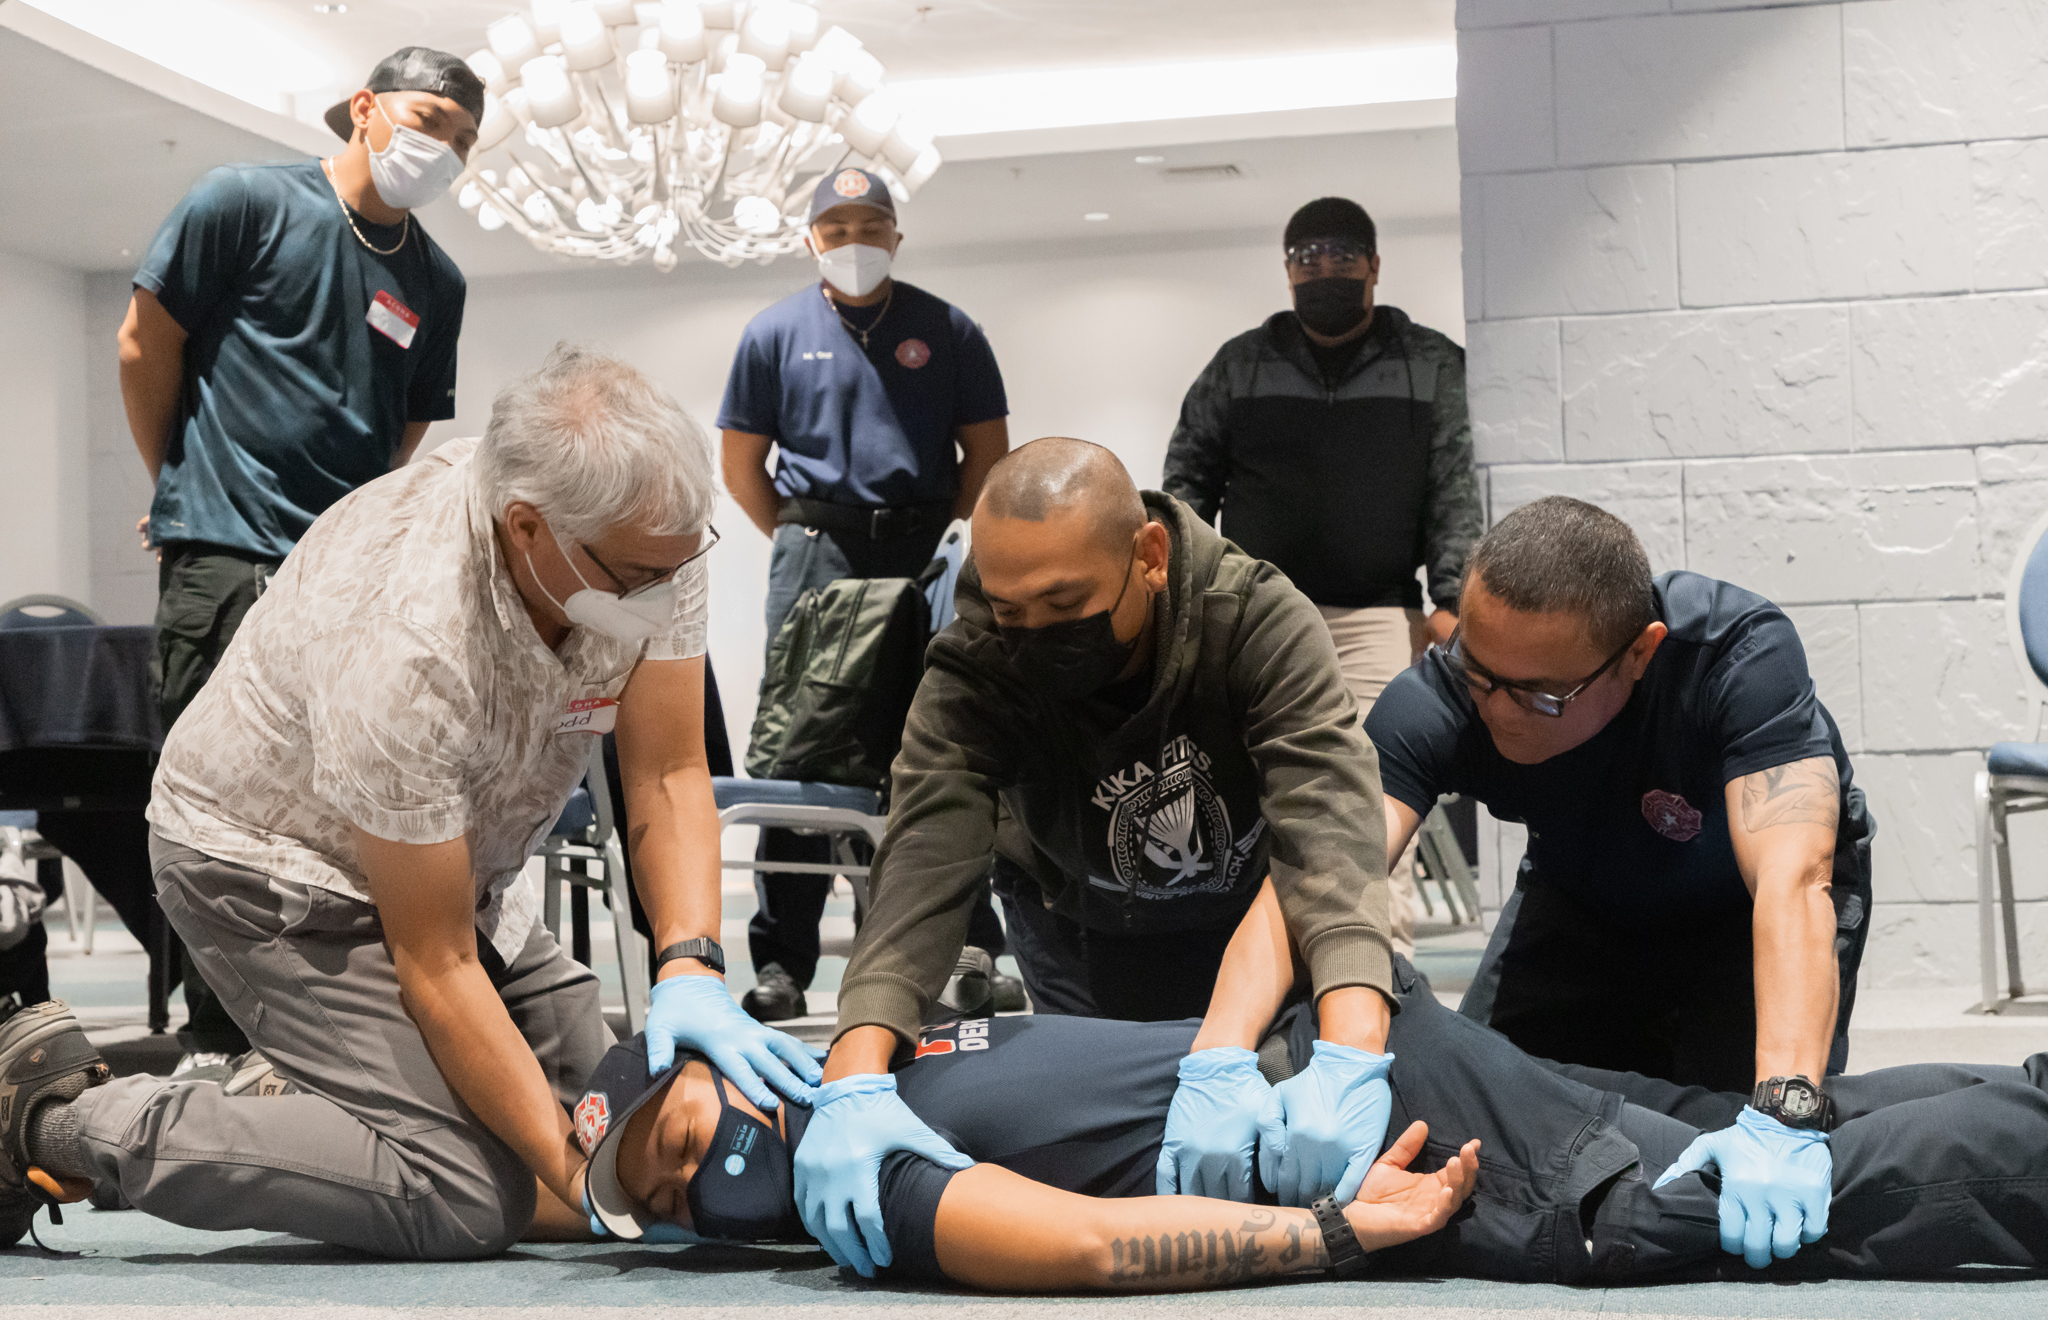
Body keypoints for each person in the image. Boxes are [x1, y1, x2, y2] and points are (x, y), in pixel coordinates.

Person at [0, 346, 819, 1256]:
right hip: (268, 874)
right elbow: (435, 966)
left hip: (459, 875)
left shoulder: (649, 533)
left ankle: (330, 1096)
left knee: (651, 1126)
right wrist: (582, 1178)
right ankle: (55, 1119)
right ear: (527, 530)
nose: (660, 596)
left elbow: (666, 773)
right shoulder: (408, 637)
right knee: (469, 1195)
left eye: (675, 569)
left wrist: (692, 970)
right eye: (635, 581)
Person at [566, 882, 2046, 1290]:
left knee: (1687, 1205)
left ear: (717, 1067)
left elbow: (1085, 1246)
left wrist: (1341, 1233)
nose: (692, 1179)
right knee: (1733, 1138)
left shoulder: (861, 1124)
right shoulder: (867, 1148)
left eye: (677, 1134)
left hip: (1352, 1098)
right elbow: (1073, 1227)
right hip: (1363, 1066)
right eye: (671, 1199)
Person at [798, 436, 1403, 1277]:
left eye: (1065, 602)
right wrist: (853, 1073)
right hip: (1074, 922)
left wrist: (1351, 1052)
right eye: (1014, 611)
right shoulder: (977, 657)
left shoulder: (1253, 615)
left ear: (1148, 557)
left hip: (1243, 929)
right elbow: (926, 854)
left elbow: (1329, 828)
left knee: (1283, 1117)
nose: (1037, 632)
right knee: (1122, 1155)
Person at [1366, 494, 1876, 1268]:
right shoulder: (1445, 697)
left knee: (1717, 1156)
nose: (1497, 711)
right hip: (1586, 895)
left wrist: (1783, 1110)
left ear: (1639, 653)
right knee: (1486, 1115)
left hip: (1744, 916)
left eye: (1539, 694)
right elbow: (1329, 874)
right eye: (1479, 673)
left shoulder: (1736, 654)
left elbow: (1795, 882)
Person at [117, 47, 481, 1073]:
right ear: (364, 109)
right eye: (425, 120)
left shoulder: (435, 280)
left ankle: (322, 1035)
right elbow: (145, 343)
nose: (439, 147)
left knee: (336, 808)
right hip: (224, 553)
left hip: (346, 582)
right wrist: (179, 487)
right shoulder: (244, 202)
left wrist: (350, 542)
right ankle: (216, 1043)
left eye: (460, 138)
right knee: (213, 803)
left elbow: (403, 435)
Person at [718, 166, 1014, 1024]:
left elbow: (987, 457)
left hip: (925, 549)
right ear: (811, 237)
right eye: (836, 227)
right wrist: (805, 535)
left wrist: (947, 548)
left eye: (870, 224)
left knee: (939, 746)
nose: (854, 242)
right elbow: (741, 468)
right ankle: (782, 965)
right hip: (814, 551)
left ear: (896, 234)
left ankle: (966, 941)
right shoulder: (773, 332)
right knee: (801, 756)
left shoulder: (947, 330)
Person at [1162, 196, 1482, 957]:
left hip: (1378, 615)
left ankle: (1384, 966)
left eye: (1340, 255)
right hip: (1256, 614)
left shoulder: (1430, 362)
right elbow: (1185, 487)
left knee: (1375, 790)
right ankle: (1268, 967)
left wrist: (1450, 601)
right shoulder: (1241, 364)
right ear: (1286, 270)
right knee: (1259, 792)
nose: (1323, 270)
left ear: (1373, 265)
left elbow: (1454, 489)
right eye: (1306, 258)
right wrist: (1184, 598)